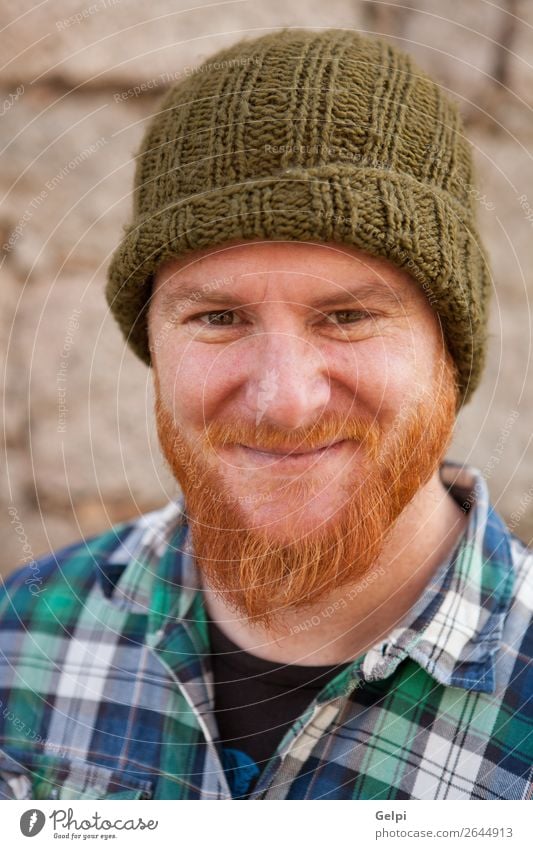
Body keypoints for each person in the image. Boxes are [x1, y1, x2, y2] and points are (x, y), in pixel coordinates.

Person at [0, 28, 531, 802]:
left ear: (447, 347)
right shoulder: (24, 639)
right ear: (151, 339)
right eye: (217, 317)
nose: (283, 400)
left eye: (347, 315)